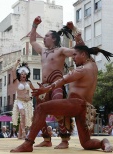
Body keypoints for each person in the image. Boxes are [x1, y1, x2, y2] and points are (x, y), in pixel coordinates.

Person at [10, 45, 113, 153]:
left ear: (83, 55)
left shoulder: (82, 69)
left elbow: (63, 80)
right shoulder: (93, 65)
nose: (73, 58)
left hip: (76, 104)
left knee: (41, 108)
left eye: (75, 55)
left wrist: (46, 89)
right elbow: (85, 50)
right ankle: (104, 143)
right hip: (86, 109)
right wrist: (74, 30)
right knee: (86, 143)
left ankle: (28, 144)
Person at [29, 16, 86, 149]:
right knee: (39, 113)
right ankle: (47, 139)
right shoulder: (42, 51)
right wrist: (34, 25)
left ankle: (65, 140)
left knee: (58, 111)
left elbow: (78, 52)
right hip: (43, 87)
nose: (44, 37)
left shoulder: (61, 50)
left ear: (54, 38)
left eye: (47, 36)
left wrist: (74, 31)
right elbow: (32, 40)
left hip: (56, 85)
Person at [11, 59, 35, 139]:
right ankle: (24, 133)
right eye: (22, 73)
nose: (23, 75)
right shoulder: (17, 82)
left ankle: (20, 135)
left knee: (25, 118)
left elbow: (34, 90)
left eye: (25, 73)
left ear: (27, 74)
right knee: (23, 115)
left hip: (28, 102)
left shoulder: (29, 82)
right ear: (19, 75)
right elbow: (13, 70)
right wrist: (16, 63)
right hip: (19, 101)